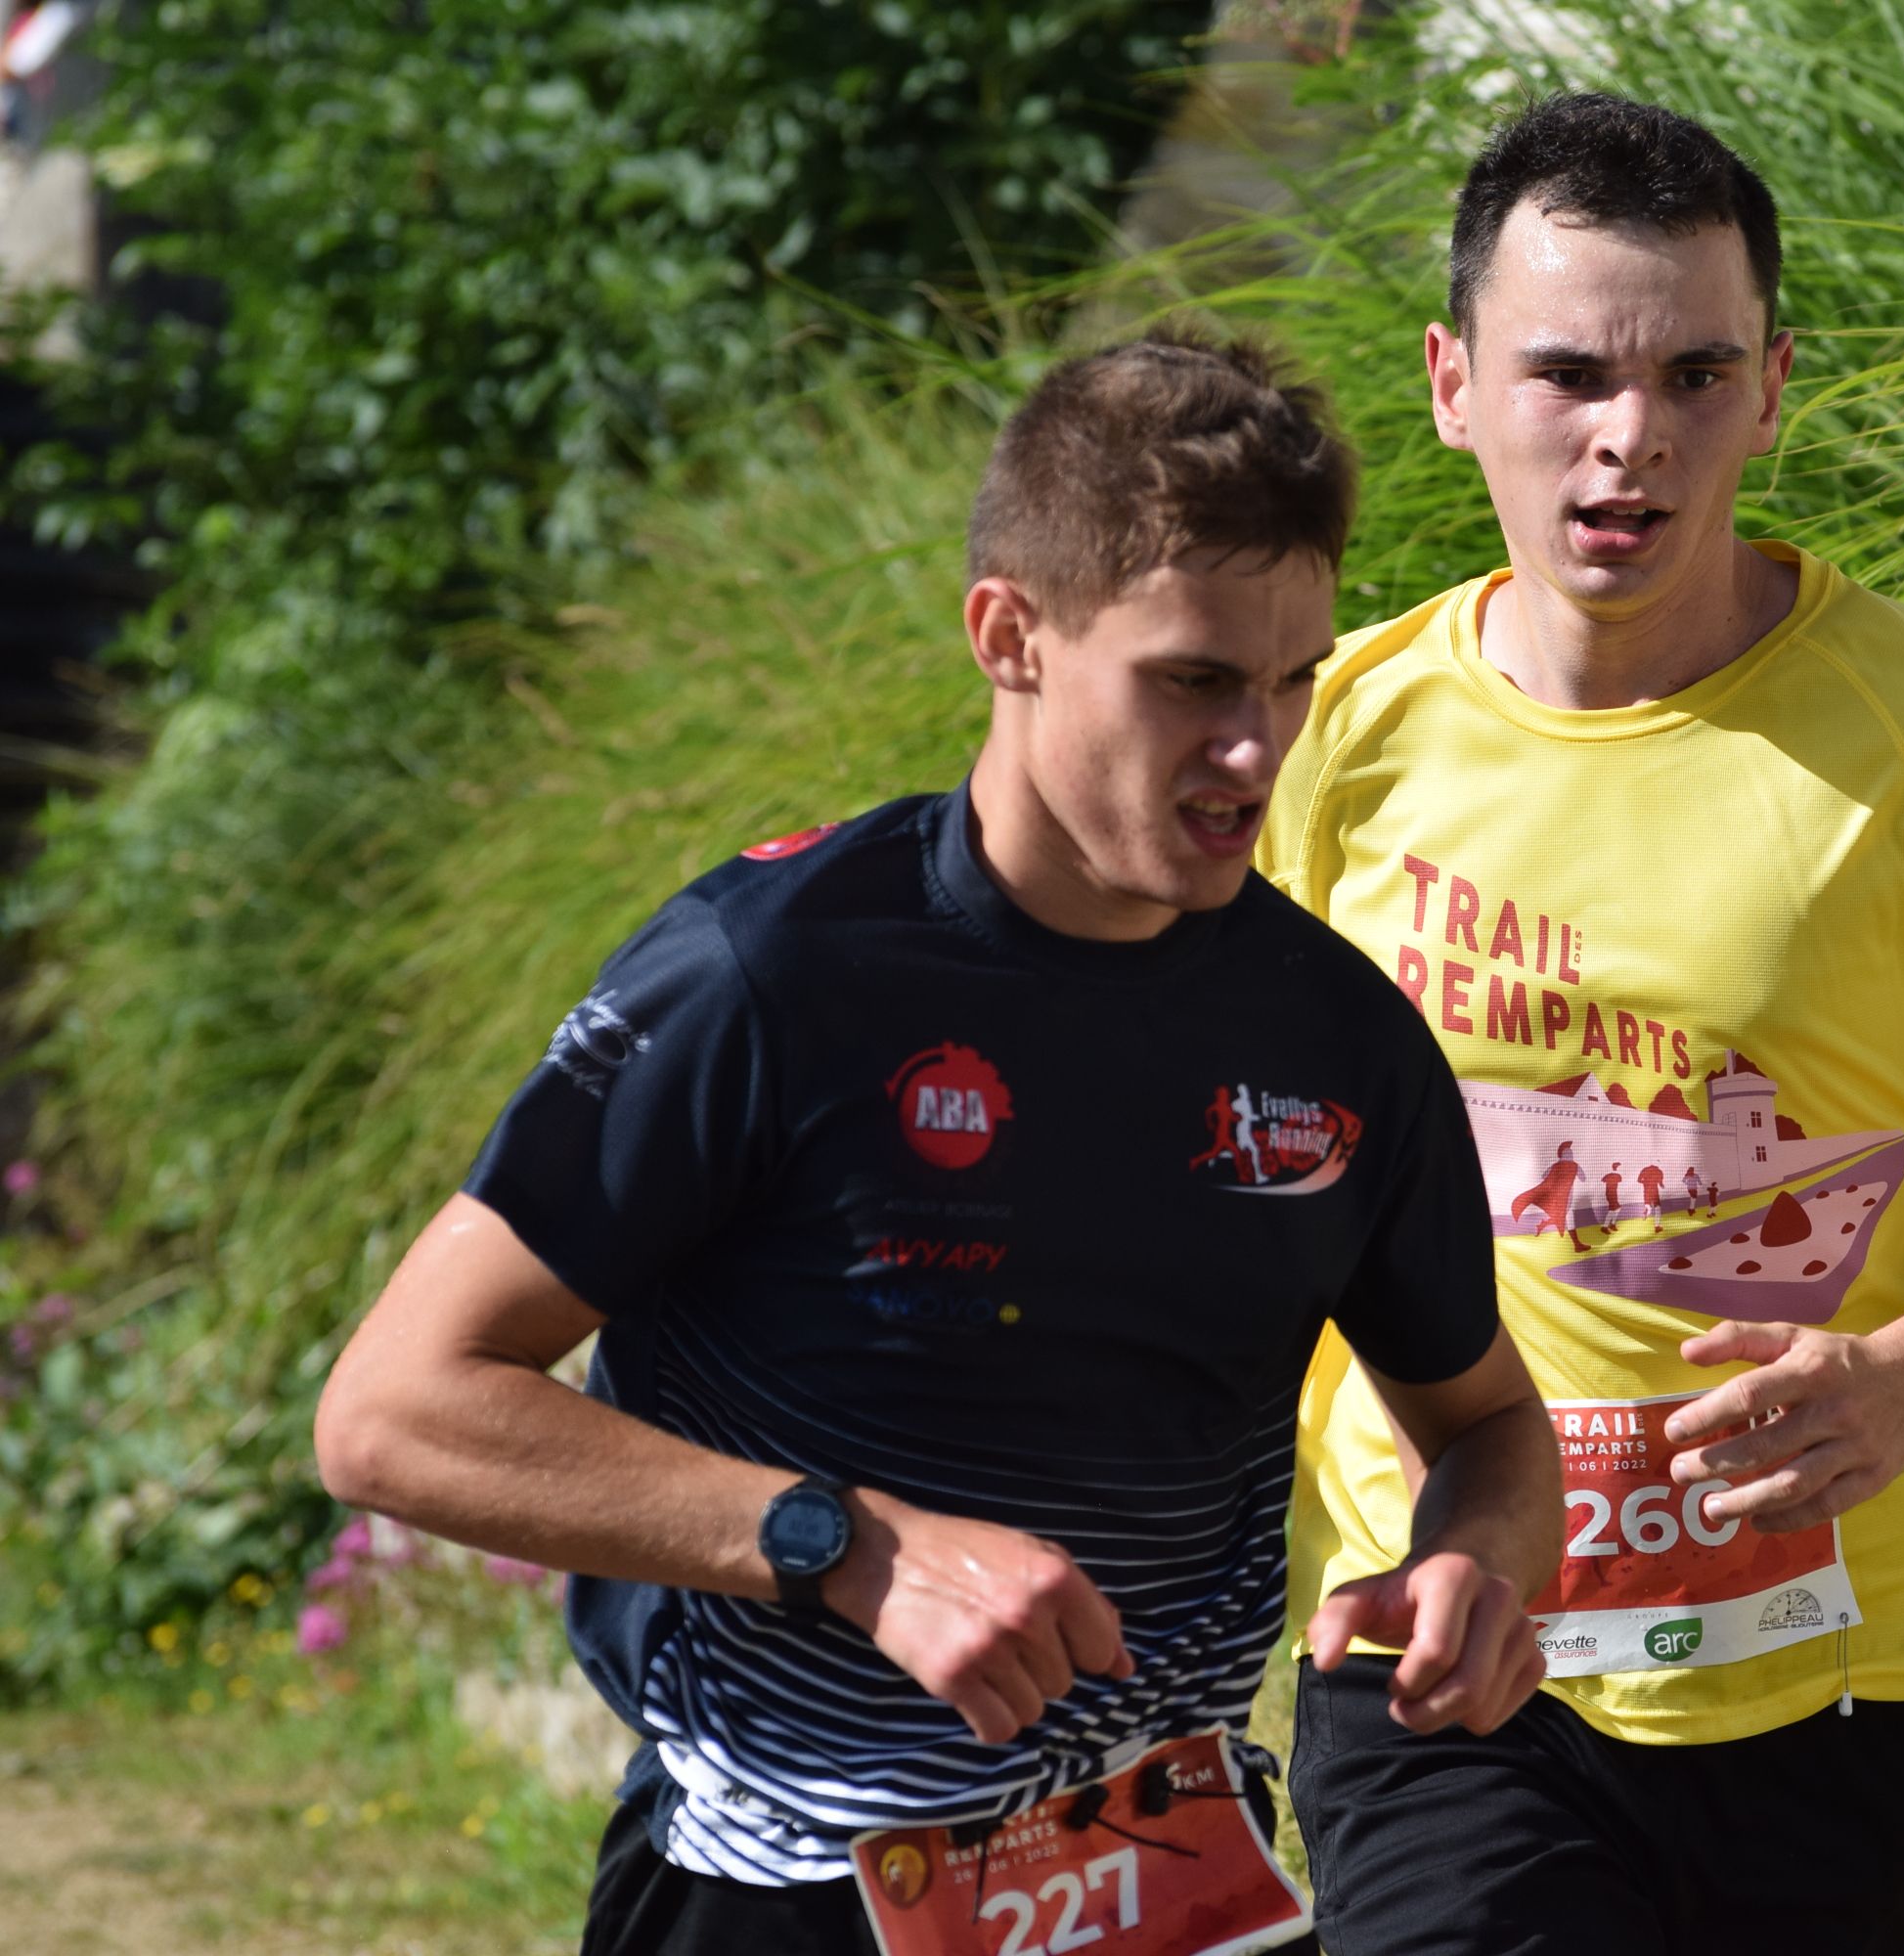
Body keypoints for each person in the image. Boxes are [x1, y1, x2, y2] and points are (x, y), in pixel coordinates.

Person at [313, 332, 1562, 1956]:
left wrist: (1479, 1565)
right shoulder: (768, 972)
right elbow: (392, 1413)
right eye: (1194, 680)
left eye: (1292, 679)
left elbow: (1490, 1428)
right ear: (1009, 636)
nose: (1258, 749)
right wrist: (847, 1547)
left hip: (1177, 1889)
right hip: (789, 1893)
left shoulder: (1336, 1036)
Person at [1258, 96, 1904, 1955]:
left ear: (1774, 389)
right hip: (1445, 1642)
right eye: (1567, 373)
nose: (1629, 436)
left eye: (1696, 375)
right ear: (1454, 385)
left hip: (1829, 1669)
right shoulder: (1337, 740)